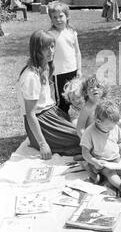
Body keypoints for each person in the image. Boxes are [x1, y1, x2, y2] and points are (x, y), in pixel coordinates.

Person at [17, 30, 82, 159]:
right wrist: (42, 144)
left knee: (86, 133)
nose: (51, 51)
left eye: (52, 46)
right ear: (36, 51)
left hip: (51, 113)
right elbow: (30, 114)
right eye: (45, 48)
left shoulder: (45, 67)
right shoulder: (31, 76)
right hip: (41, 121)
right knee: (81, 141)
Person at [80, 100, 121, 196]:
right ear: (98, 121)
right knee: (110, 173)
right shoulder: (89, 132)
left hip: (116, 158)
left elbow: (120, 141)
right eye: (109, 127)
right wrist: (95, 162)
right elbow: (85, 153)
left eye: (114, 126)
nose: (112, 129)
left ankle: (100, 176)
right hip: (102, 162)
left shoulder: (113, 126)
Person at [48, 1, 82, 114]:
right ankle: (61, 123)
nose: (58, 19)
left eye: (61, 16)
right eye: (54, 17)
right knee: (62, 101)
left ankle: (75, 120)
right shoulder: (49, 35)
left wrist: (79, 69)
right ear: (51, 19)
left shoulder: (72, 32)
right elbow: (47, 55)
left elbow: (77, 52)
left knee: (75, 97)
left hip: (73, 70)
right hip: (58, 73)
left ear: (67, 16)